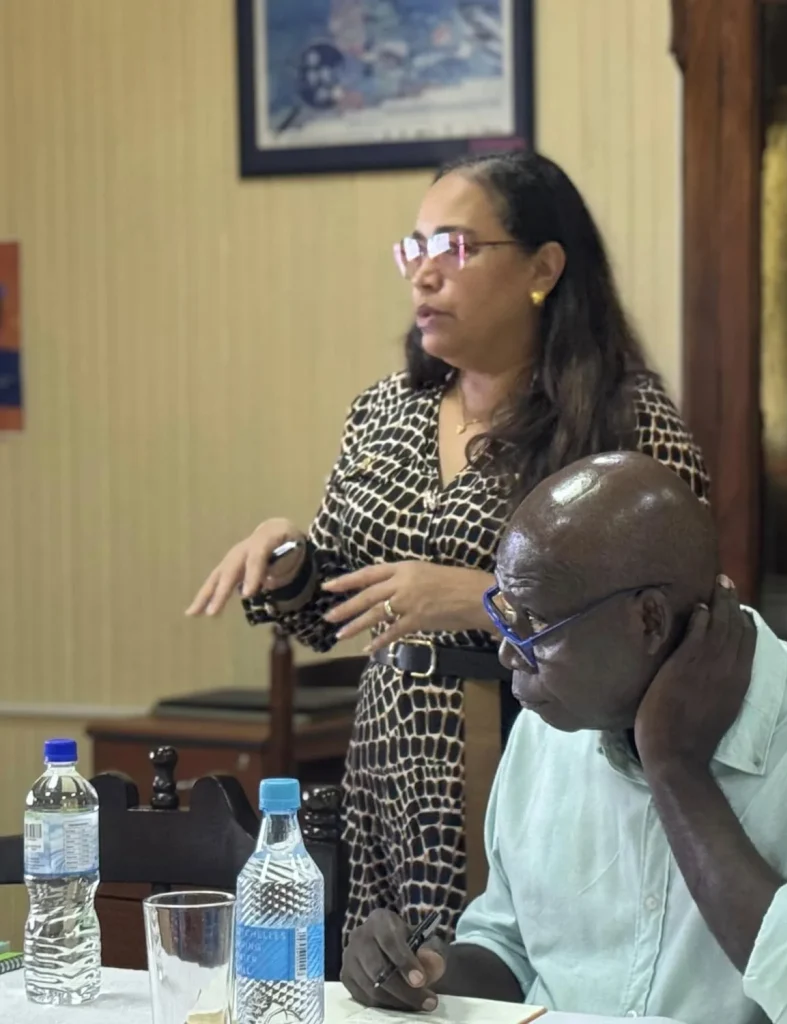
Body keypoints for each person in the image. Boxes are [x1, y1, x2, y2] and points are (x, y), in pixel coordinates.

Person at [185, 153, 709, 946]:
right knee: (388, 975)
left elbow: (678, 626)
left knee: (500, 973)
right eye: (416, 248)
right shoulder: (386, 411)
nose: (424, 273)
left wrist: (485, 601)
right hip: (386, 762)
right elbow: (332, 612)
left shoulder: (621, 417)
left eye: (456, 248)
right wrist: (290, 560)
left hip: (538, 754)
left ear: (543, 268)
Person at [340, 452, 787, 1024]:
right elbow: (513, 949)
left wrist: (674, 768)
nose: (509, 653)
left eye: (536, 624)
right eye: (506, 614)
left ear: (648, 619)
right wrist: (424, 974)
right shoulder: (551, 723)